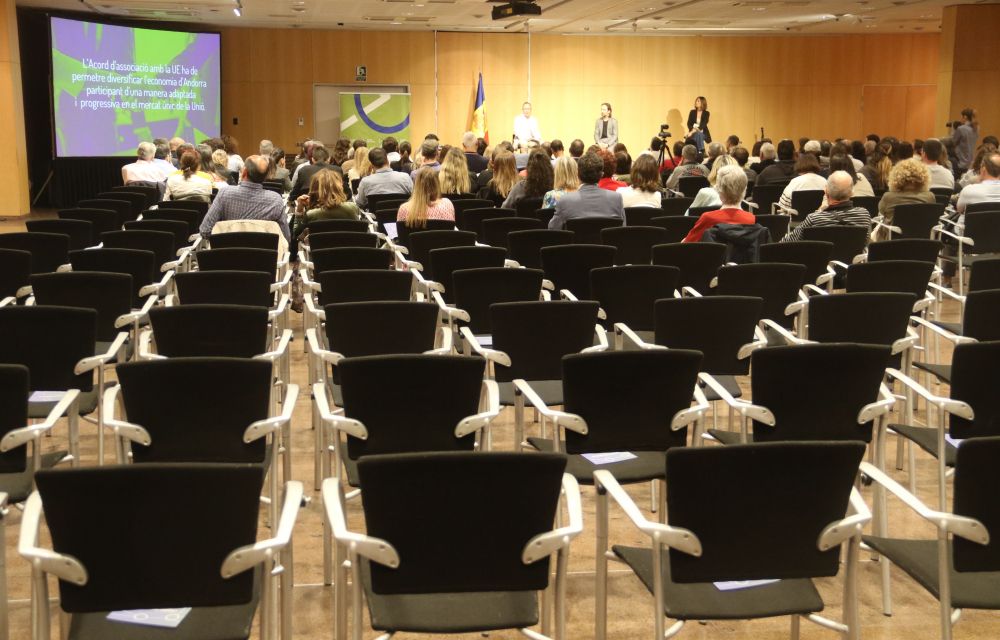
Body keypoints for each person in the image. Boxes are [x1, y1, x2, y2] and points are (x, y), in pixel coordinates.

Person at [199, 155, 289, 241]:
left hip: (227, 251)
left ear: (244, 172)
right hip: (263, 252)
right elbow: (285, 238)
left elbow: (205, 230)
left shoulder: (224, 194)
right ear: (265, 177)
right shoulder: (275, 200)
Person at [781, 171, 873, 243]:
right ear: (852, 192)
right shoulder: (864, 215)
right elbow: (865, 243)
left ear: (826, 191)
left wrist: (819, 211)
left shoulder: (814, 219)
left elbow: (786, 242)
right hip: (851, 262)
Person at [549, 151, 623, 230]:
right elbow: (622, 229)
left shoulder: (564, 201)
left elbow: (553, 229)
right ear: (601, 175)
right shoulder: (616, 199)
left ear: (577, 174)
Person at [683, 166, 753, 243]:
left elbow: (687, 245)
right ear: (745, 190)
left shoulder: (708, 218)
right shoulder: (751, 219)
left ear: (719, 190)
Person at [875, 158, 935, 241]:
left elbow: (881, 211)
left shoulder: (888, 197)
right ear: (923, 178)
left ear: (896, 177)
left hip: (892, 242)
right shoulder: (930, 197)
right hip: (922, 241)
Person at [293, 168, 362, 240]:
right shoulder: (352, 207)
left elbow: (296, 234)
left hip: (320, 247)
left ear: (314, 189)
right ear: (339, 188)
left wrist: (299, 210)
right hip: (350, 246)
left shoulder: (311, 214)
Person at [951, 107, 979, 177]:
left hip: (960, 161)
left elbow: (953, 142)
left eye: (961, 117)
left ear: (965, 117)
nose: (960, 119)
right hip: (969, 162)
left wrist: (953, 130)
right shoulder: (976, 129)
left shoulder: (961, 129)